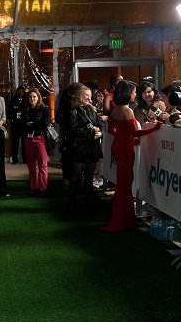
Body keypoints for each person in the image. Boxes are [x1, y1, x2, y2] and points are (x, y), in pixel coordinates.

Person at [101, 80, 162, 231]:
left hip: (119, 146)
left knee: (123, 183)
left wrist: (123, 137)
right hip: (125, 149)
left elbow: (111, 130)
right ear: (128, 93)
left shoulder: (116, 109)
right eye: (134, 92)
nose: (135, 94)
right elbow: (135, 132)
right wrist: (155, 128)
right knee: (124, 184)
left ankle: (125, 220)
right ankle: (121, 221)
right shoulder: (127, 110)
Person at [65, 84, 104, 211]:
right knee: (76, 176)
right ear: (80, 96)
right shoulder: (73, 111)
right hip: (80, 149)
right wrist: (92, 132)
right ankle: (71, 201)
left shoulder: (92, 109)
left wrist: (100, 133)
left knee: (89, 177)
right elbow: (72, 131)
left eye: (90, 96)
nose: (89, 98)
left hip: (92, 148)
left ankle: (89, 201)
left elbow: (99, 126)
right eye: (86, 95)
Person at [21, 88, 51, 196]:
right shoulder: (26, 110)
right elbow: (21, 124)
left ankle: (43, 189)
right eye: (30, 97)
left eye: (34, 96)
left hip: (40, 138)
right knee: (31, 165)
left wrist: (32, 124)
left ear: (38, 97)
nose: (32, 98)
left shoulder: (44, 109)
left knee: (42, 165)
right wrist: (28, 125)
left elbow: (45, 124)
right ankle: (34, 187)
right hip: (28, 139)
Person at [7, 86, 27, 164]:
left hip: (24, 125)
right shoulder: (13, 101)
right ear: (17, 92)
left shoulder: (26, 101)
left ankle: (25, 159)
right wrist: (12, 119)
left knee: (24, 143)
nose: (20, 93)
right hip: (15, 125)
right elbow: (9, 112)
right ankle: (14, 159)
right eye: (19, 91)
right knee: (14, 143)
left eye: (22, 91)